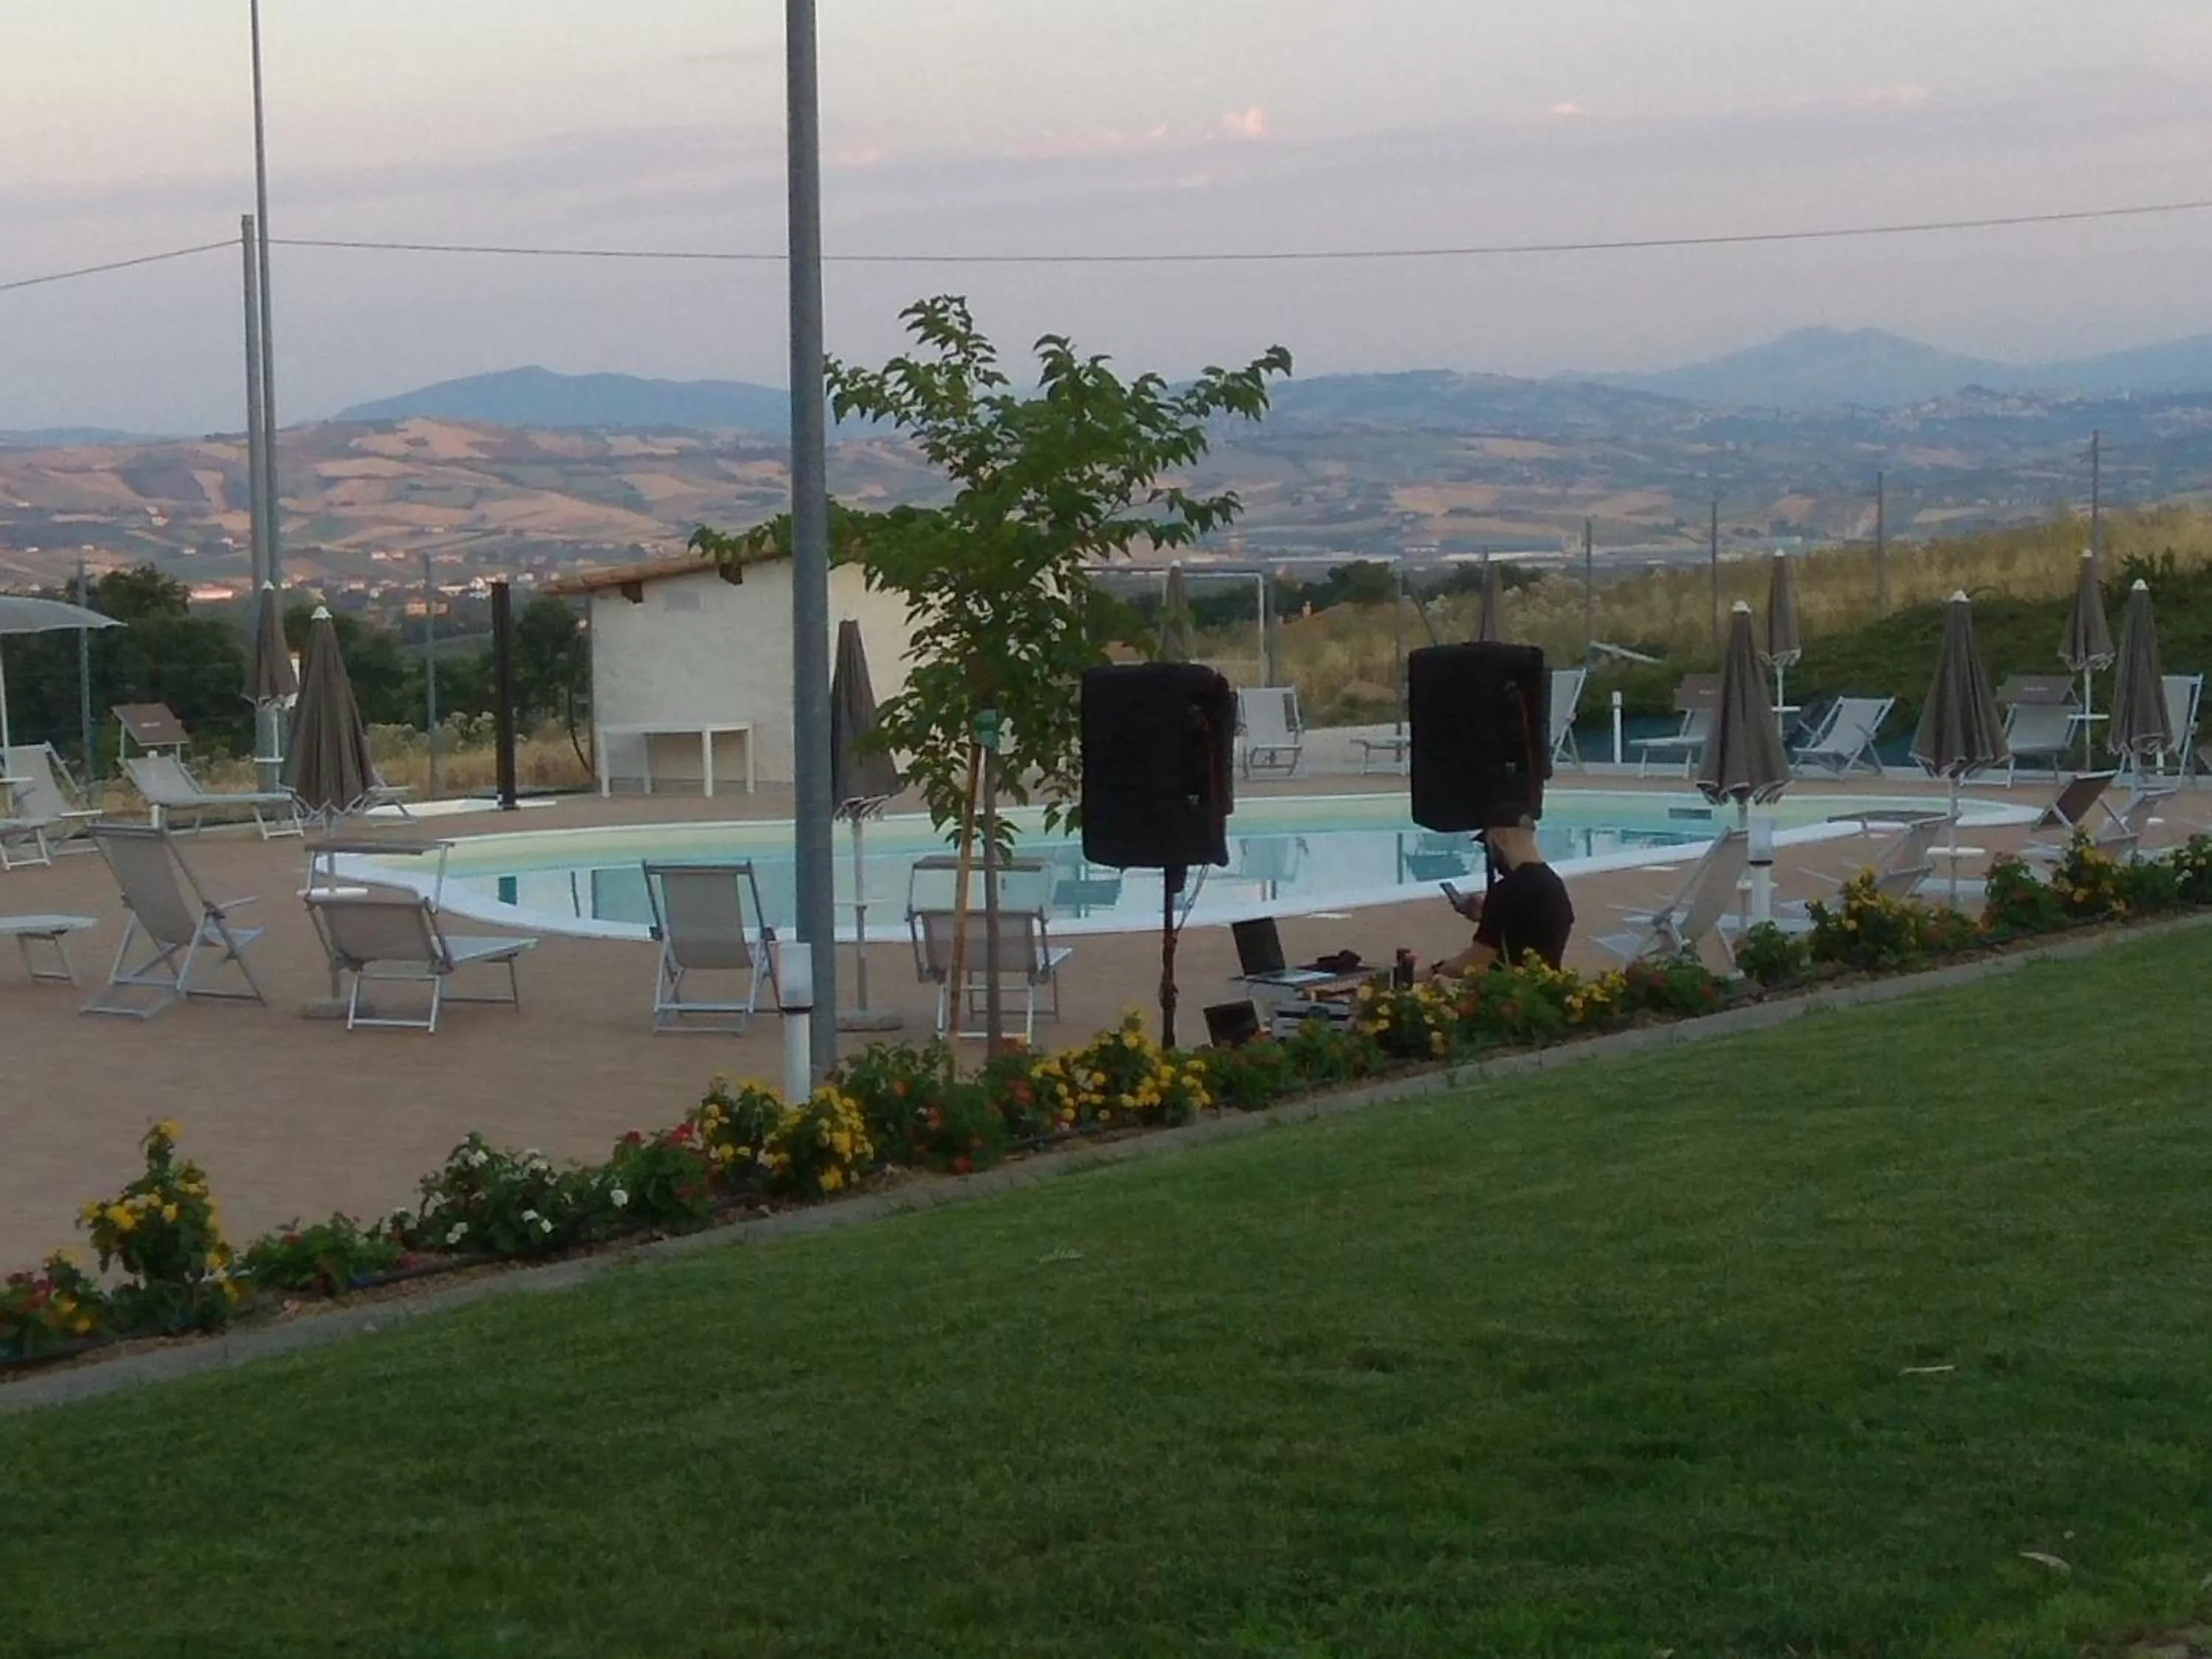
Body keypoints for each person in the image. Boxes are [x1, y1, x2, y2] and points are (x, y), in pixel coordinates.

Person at [1431, 806, 1574, 976]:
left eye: (1488, 846)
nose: (1489, 853)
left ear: (1500, 837)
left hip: (1509, 994)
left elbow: (1474, 962)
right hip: (1545, 989)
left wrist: (1433, 970)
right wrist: (1487, 915)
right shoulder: (1553, 884)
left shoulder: (1508, 890)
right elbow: (1528, 929)